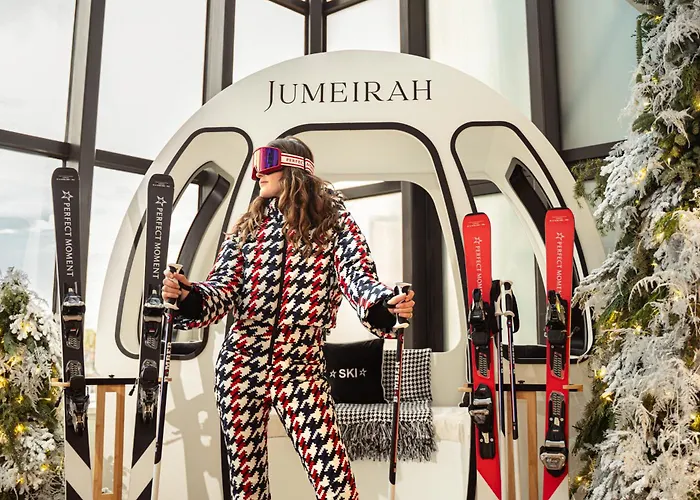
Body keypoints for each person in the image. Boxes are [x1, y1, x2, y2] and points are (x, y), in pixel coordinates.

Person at [161, 136, 416, 500]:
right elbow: (222, 290)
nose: (257, 173)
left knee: (337, 486)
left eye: (267, 162)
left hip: (301, 366)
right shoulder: (248, 228)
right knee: (247, 487)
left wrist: (384, 304)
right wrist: (188, 296)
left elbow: (358, 277)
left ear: (295, 168)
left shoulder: (334, 223)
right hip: (240, 364)